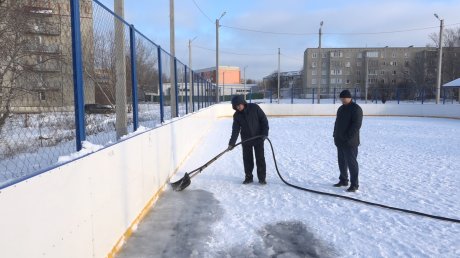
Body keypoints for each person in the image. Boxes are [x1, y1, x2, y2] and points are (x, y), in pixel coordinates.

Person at [228, 95, 269, 185]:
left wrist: (264, 134)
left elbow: (264, 120)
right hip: (246, 140)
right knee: (247, 159)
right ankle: (248, 177)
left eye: (239, 105)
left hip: (258, 138)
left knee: (260, 158)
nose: (238, 107)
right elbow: (235, 130)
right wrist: (232, 143)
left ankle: (262, 178)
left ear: (243, 102)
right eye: (236, 106)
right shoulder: (237, 115)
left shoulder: (254, 108)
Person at [333, 90, 363, 192]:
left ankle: (354, 184)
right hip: (340, 141)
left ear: (349, 98)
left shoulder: (356, 109)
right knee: (342, 162)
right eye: (341, 98)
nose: (342, 100)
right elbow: (337, 123)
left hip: (350, 142)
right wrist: (335, 135)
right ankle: (343, 180)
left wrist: (347, 137)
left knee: (352, 163)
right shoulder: (341, 109)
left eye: (344, 98)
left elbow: (356, 126)